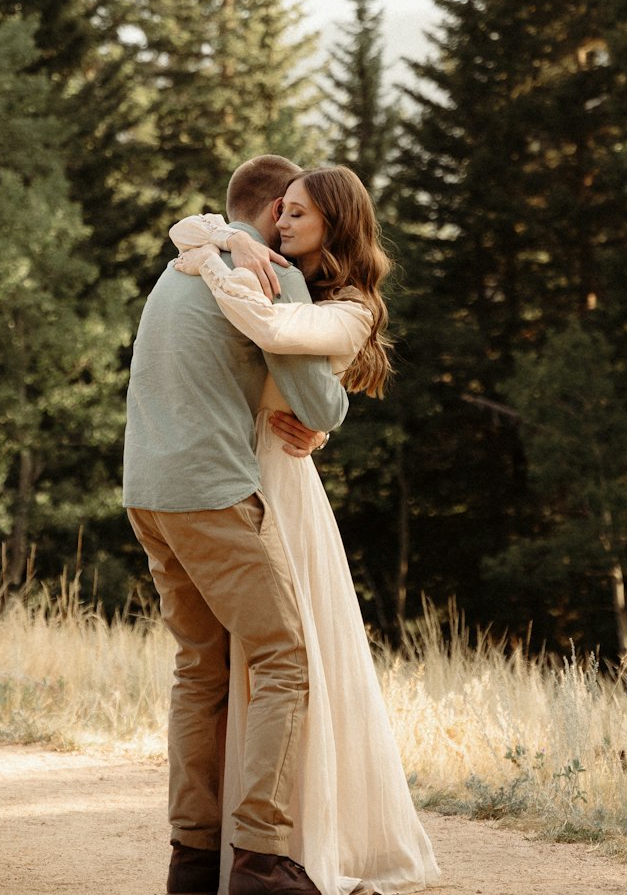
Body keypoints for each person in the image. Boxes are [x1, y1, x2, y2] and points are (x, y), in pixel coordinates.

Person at [170, 165, 440, 895]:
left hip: (279, 486)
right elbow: (189, 228)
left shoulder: (348, 308)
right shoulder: (284, 274)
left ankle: (299, 847)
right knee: (245, 668)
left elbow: (273, 332)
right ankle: (240, 854)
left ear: (336, 224)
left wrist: (213, 260)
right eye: (279, 212)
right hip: (241, 469)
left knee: (295, 659)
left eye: (298, 215)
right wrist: (224, 238)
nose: (282, 225)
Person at [123, 155, 350, 895]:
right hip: (212, 493)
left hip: (146, 492)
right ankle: (260, 856)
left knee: (201, 669)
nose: (289, 226)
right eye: (287, 211)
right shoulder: (267, 273)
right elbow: (321, 407)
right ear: (272, 208)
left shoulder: (180, 268)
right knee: (284, 656)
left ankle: (192, 859)